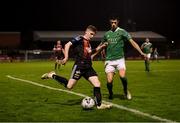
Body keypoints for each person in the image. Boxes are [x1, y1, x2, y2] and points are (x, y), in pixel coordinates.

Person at [41, 25, 111, 109]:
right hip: (79, 66)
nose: (92, 36)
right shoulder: (80, 38)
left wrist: (101, 47)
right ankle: (52, 75)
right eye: (91, 34)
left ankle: (99, 105)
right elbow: (67, 45)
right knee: (69, 86)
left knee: (97, 83)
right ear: (86, 32)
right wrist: (66, 57)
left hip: (88, 67)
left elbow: (90, 52)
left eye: (93, 35)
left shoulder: (88, 43)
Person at [93, 16, 146, 100]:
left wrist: (141, 52)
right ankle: (111, 93)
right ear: (109, 23)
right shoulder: (107, 34)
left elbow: (132, 42)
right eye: (112, 22)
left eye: (115, 22)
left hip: (119, 59)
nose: (113, 24)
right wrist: (93, 55)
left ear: (117, 22)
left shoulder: (122, 32)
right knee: (109, 81)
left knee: (122, 76)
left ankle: (125, 90)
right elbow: (100, 46)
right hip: (109, 60)